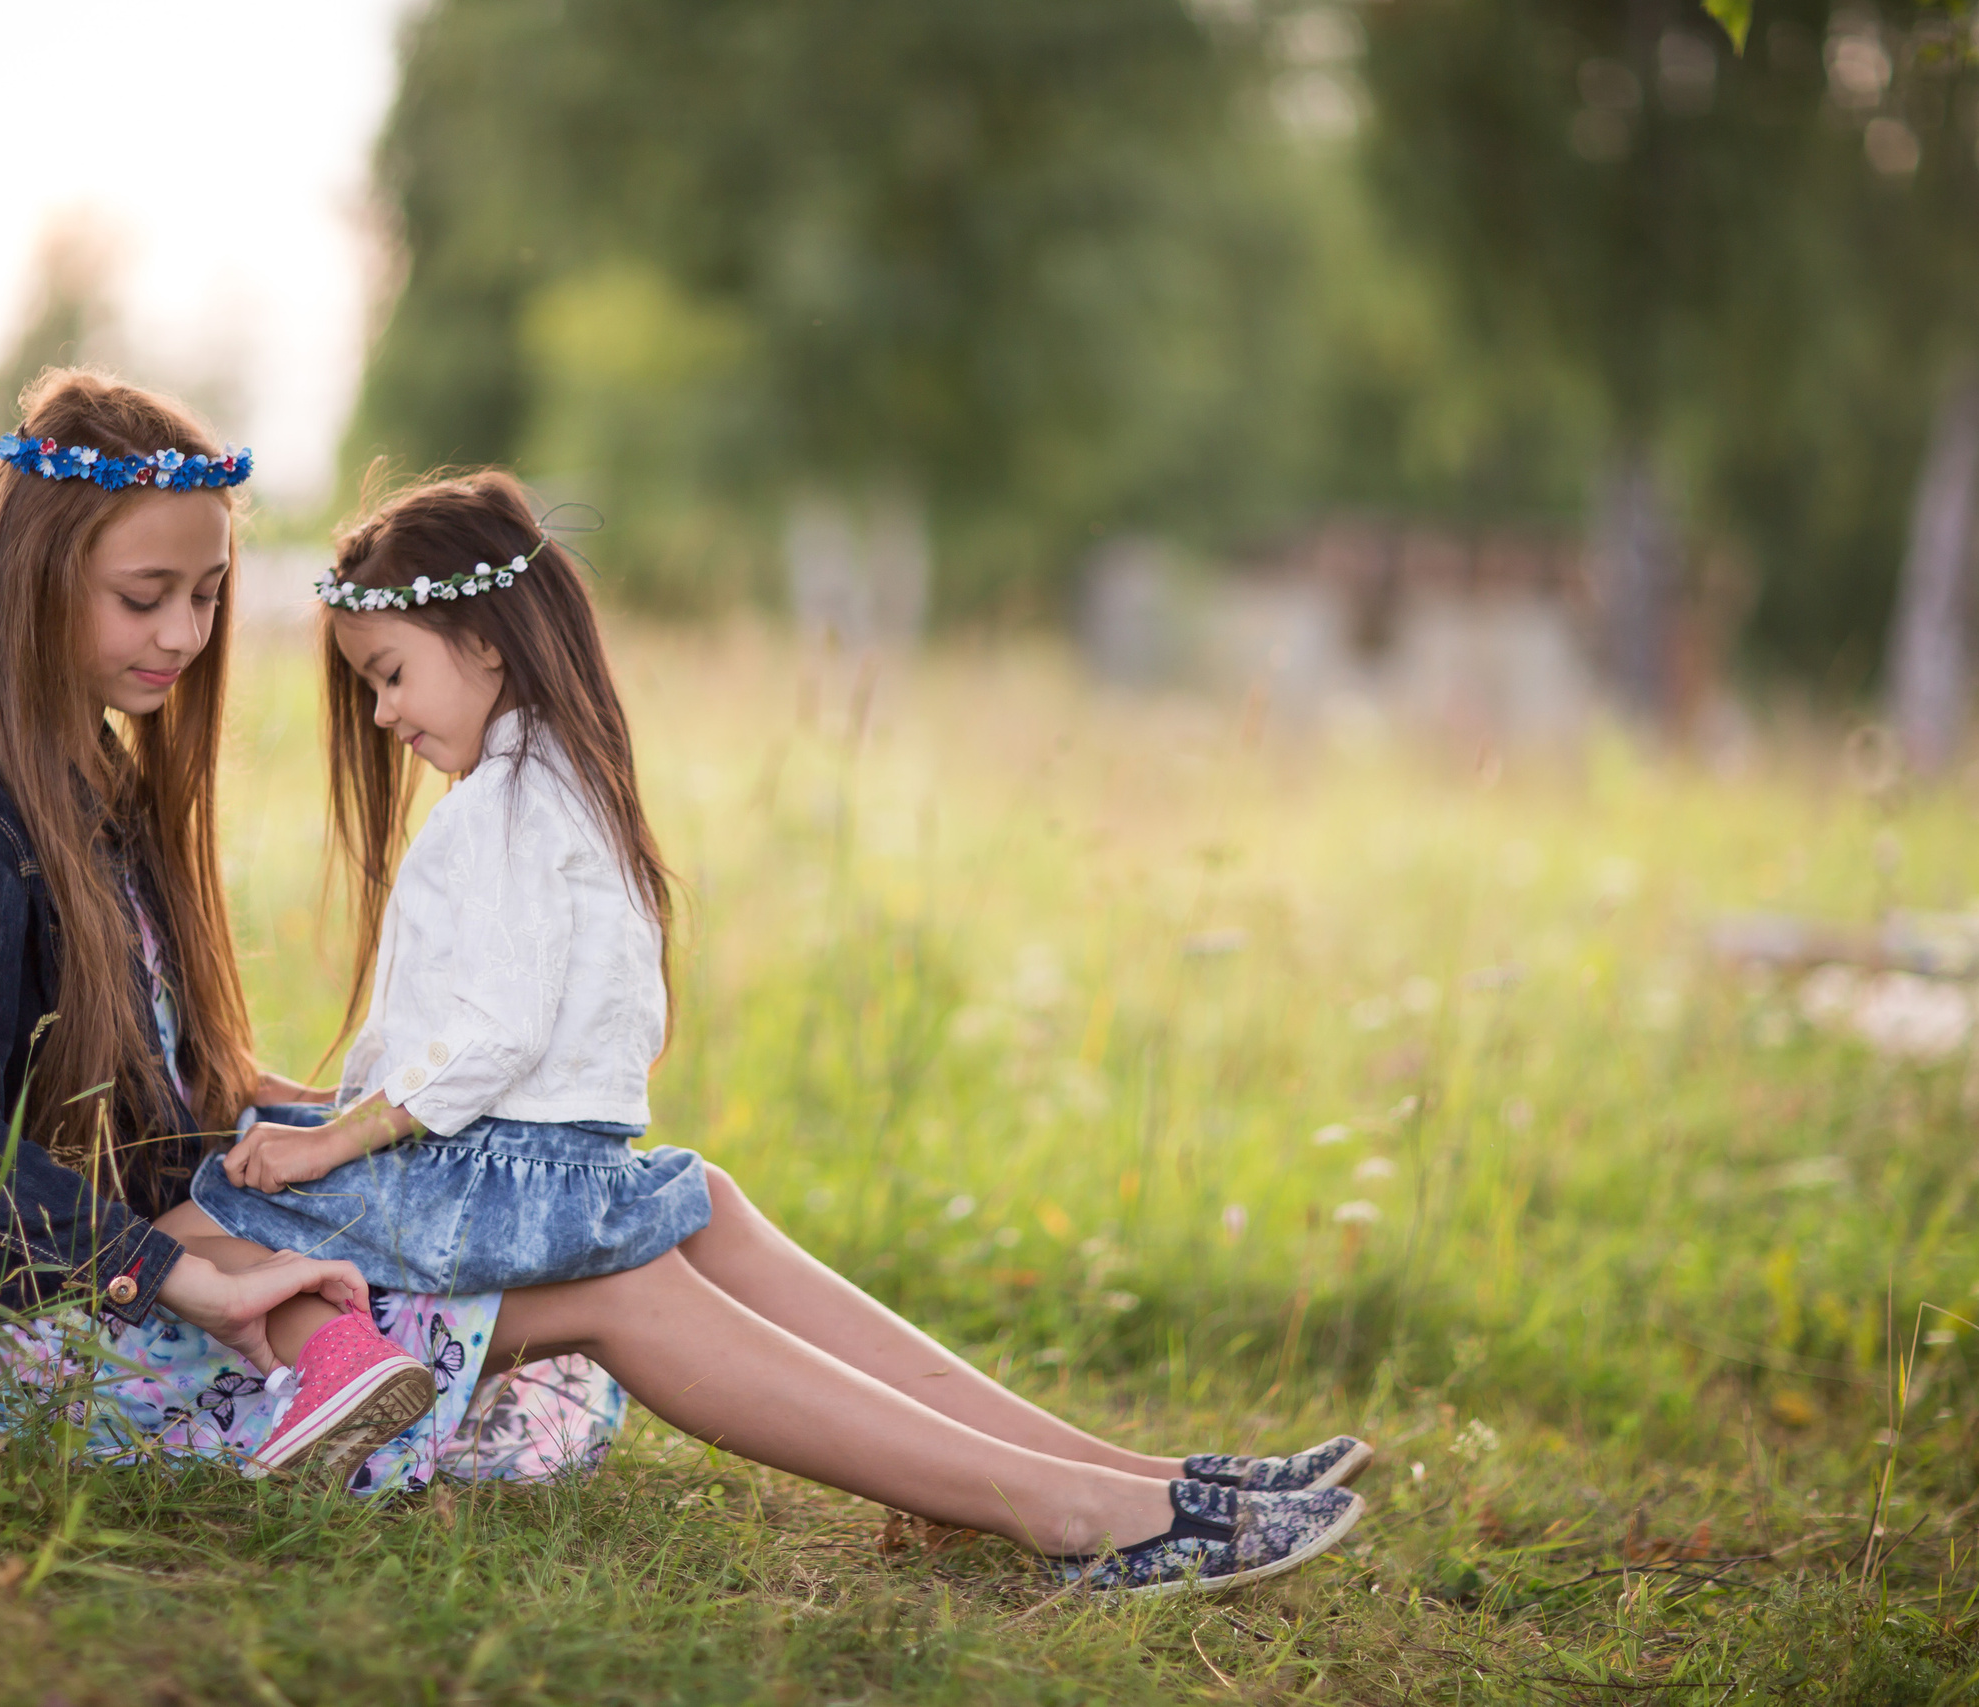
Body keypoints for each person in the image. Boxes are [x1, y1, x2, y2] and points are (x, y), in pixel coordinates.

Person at [185, 469, 1373, 1591]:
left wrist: (328, 1141)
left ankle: (1105, 1497)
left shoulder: (491, 810)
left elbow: (490, 1033)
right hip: (548, 1170)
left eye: (390, 675)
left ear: (486, 640)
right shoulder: (569, 779)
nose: (383, 713)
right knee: (695, 1193)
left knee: (234, 1197)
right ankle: (1123, 1488)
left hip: (492, 1187)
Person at [0, 369, 515, 1485]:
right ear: (34, 583)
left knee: (632, 1202)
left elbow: (134, 1111)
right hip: (53, 1332)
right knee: (597, 1280)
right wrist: (189, 1278)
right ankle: (908, 1471)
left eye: (209, 592)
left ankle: (909, 1430)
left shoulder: (94, 784)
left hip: (151, 1259)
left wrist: (322, 1118)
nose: (185, 633)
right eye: (145, 597)